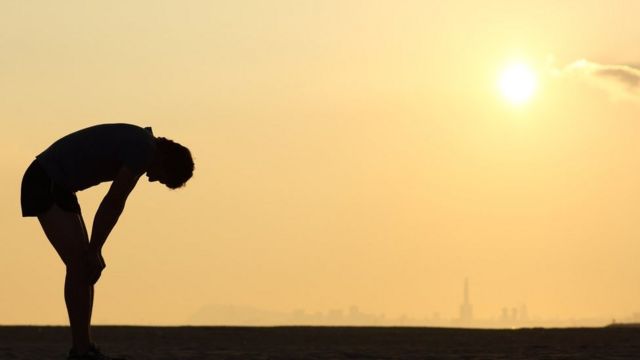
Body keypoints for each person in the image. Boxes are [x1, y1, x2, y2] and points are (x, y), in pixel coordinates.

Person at [20, 123, 194, 360]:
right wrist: (95, 249)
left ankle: (84, 347)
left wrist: (94, 251)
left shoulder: (143, 144)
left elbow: (114, 203)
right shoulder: (142, 149)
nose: (153, 181)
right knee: (80, 265)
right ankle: (81, 351)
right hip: (43, 181)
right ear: (165, 161)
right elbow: (113, 202)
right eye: (163, 179)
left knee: (85, 267)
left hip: (59, 187)